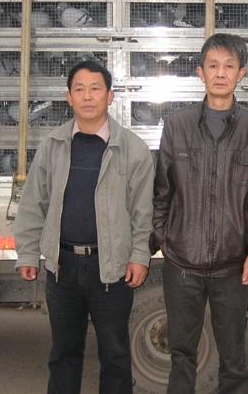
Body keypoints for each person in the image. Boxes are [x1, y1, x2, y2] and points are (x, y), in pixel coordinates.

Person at [13, 60, 155, 394]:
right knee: (64, 353)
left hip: (111, 269)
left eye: (95, 89)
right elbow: (33, 203)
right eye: (79, 89)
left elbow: (143, 212)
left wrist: (139, 256)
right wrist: (28, 254)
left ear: (110, 96)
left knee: (115, 355)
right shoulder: (53, 145)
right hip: (62, 267)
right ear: (69, 97)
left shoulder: (132, 149)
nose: (87, 96)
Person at [151, 33, 248, 394]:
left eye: (229, 66)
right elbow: (162, 192)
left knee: (234, 358)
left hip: (233, 267)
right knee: (181, 354)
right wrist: (164, 239)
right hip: (182, 263)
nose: (221, 73)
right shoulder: (177, 125)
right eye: (213, 65)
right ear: (200, 72)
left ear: (241, 74)